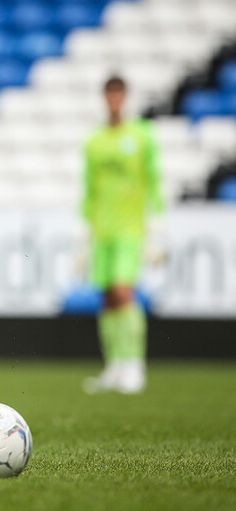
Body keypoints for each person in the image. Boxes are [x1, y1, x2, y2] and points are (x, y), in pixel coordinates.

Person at [81, 76, 164, 394]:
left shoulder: (142, 136)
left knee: (123, 290)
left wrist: (157, 224)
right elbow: (89, 187)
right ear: (105, 98)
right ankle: (115, 365)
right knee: (106, 295)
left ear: (125, 97)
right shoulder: (95, 140)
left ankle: (134, 364)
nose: (114, 101)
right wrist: (83, 228)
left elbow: (153, 180)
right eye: (109, 95)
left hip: (131, 227)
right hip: (102, 228)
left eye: (118, 95)